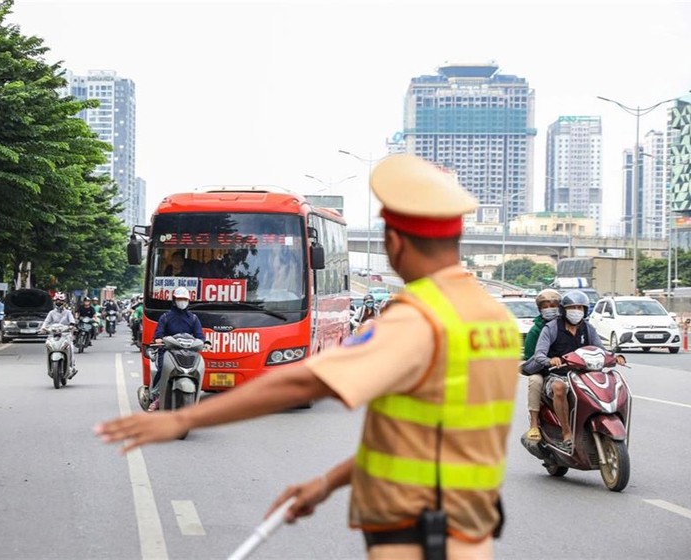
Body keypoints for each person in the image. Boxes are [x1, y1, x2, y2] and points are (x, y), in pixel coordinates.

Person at [95, 154, 522, 559]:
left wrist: (185, 418)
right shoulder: (494, 320)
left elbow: (305, 381)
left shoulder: (420, 318)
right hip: (468, 531)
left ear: (394, 241)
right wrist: (323, 484)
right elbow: (419, 440)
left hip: (415, 534)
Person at [522, 290, 625, 452]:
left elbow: (600, 349)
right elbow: (538, 354)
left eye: (580, 308)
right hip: (557, 374)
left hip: (583, 374)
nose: (576, 311)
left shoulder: (588, 328)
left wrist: (614, 357)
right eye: (572, 307)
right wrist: (550, 360)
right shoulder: (550, 328)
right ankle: (566, 433)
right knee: (558, 387)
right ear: (564, 310)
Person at [147, 286, 204, 412]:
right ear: (174, 300)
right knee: (162, 369)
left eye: (185, 299)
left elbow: (200, 336)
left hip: (188, 352)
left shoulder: (193, 318)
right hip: (168, 351)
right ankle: (156, 395)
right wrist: (159, 340)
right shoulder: (166, 317)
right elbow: (158, 334)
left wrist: (205, 343)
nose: (182, 301)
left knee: (197, 370)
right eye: (180, 299)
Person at [521, 289, 561, 442]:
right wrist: (547, 361)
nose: (550, 308)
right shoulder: (536, 330)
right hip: (543, 370)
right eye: (546, 305)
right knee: (535, 381)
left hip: (566, 368)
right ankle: (534, 424)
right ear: (540, 309)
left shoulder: (566, 325)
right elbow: (531, 358)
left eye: (553, 305)